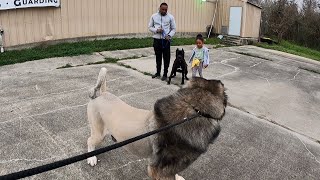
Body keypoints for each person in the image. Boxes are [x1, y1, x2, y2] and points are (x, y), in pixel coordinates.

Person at [148, 2, 176, 81]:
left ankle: (165, 74)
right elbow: (150, 27)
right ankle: (158, 73)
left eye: (165, 10)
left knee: (166, 58)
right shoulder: (154, 16)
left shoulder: (170, 17)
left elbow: (173, 29)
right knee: (158, 57)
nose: (164, 11)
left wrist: (169, 35)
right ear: (159, 9)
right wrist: (157, 30)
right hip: (157, 40)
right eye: (162, 9)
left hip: (166, 41)